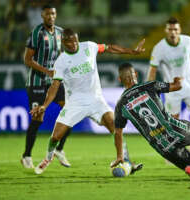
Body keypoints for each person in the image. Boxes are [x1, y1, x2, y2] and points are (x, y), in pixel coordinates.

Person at [30, 28, 145, 174]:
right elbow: (54, 86)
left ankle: (126, 160)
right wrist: (44, 106)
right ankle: (48, 157)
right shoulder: (61, 61)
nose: (73, 44)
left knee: (115, 126)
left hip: (96, 99)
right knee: (56, 137)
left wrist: (131, 52)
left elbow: (109, 48)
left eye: (75, 40)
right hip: (74, 103)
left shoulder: (89, 46)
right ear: (63, 42)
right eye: (69, 41)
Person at [147, 17, 190, 164]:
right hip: (172, 89)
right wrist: (149, 89)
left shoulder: (188, 41)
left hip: (189, 84)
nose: (173, 32)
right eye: (170, 29)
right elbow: (152, 70)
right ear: (166, 30)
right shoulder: (159, 48)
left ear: (180, 31)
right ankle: (175, 152)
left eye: (176, 29)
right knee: (174, 122)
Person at [21, 4, 71, 169]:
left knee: (70, 111)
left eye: (53, 14)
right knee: (38, 118)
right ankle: (27, 155)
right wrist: (46, 71)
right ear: (42, 15)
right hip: (37, 82)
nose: (51, 17)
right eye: (48, 14)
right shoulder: (37, 33)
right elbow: (27, 59)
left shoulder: (60, 32)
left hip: (55, 81)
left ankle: (60, 150)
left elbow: (63, 54)